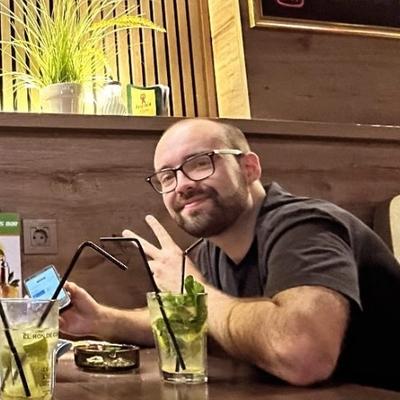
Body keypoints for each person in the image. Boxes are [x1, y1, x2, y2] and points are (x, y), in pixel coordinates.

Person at [60, 118, 400, 389]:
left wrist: (193, 289)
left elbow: (303, 354)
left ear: (249, 168)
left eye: (199, 163)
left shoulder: (304, 226)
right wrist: (101, 320)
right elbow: (192, 323)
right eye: (167, 177)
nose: (182, 184)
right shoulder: (213, 250)